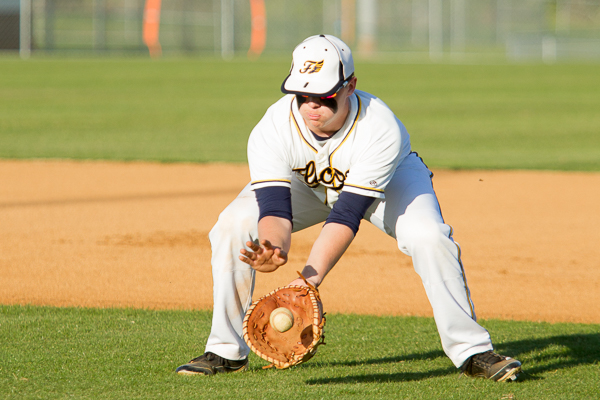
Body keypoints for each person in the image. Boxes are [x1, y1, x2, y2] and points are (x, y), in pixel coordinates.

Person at [175, 34, 522, 381]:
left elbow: (347, 214)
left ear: (350, 85)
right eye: (302, 95)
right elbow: (275, 209)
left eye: (324, 97)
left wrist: (307, 283)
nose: (311, 106)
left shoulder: (379, 127)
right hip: (306, 187)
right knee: (232, 223)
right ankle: (225, 351)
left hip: (389, 183)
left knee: (429, 236)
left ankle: (473, 351)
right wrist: (272, 248)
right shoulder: (272, 128)